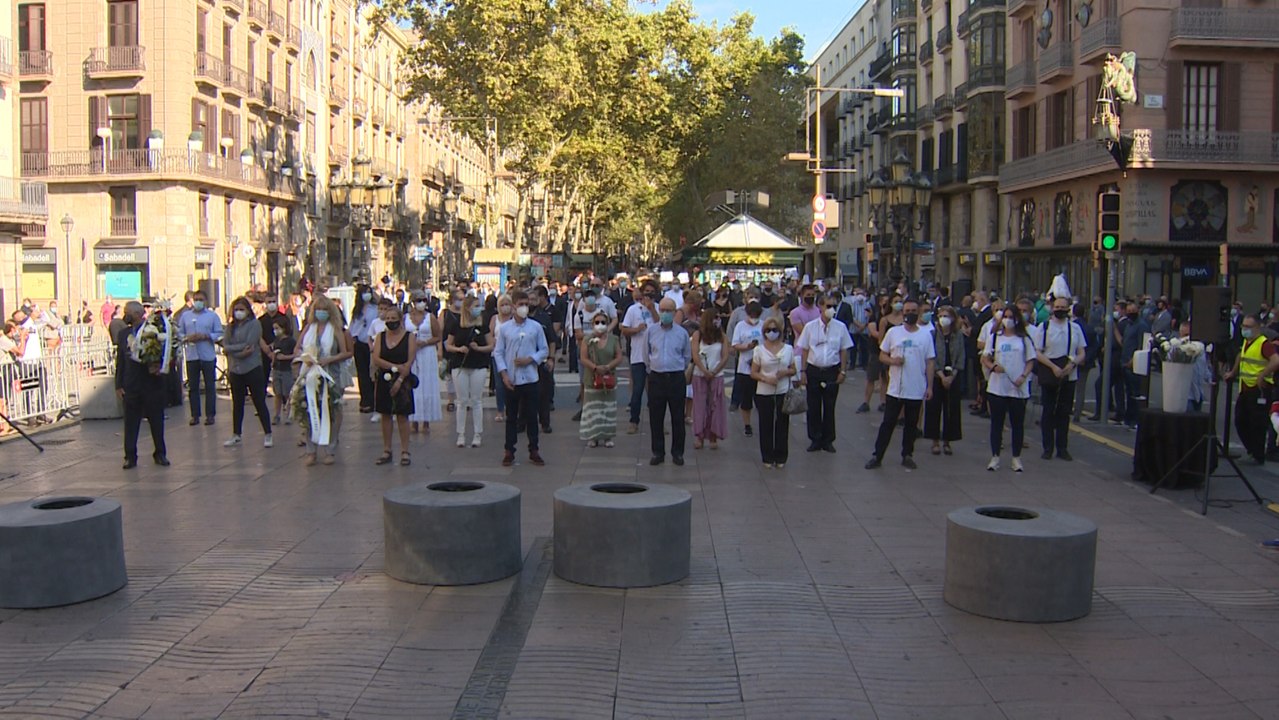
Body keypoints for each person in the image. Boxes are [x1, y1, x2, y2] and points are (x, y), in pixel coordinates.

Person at [865, 299, 935, 470]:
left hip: (916, 387)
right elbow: (882, 355)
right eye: (907, 311)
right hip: (895, 388)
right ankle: (877, 455)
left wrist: (929, 386)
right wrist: (892, 361)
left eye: (913, 311)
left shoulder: (925, 335)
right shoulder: (894, 333)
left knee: (911, 424)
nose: (910, 314)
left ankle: (907, 454)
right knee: (888, 423)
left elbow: (930, 362)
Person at [294, 294, 352, 465]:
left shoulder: (336, 329)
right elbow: (297, 348)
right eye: (318, 309)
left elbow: (346, 352)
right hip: (309, 373)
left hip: (330, 373)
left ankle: (330, 449)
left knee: (331, 411)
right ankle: (311, 450)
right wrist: (304, 356)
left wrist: (330, 359)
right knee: (309, 409)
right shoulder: (308, 328)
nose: (321, 312)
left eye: (324, 309)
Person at [495, 290, 547, 467]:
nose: (524, 308)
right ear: (513, 306)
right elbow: (499, 352)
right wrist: (504, 374)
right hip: (512, 378)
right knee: (511, 416)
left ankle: (534, 449)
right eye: (520, 305)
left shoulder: (535, 327)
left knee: (532, 415)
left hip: (531, 377)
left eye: (526, 304)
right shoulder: (505, 329)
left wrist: (531, 359)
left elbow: (544, 349)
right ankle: (509, 450)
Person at [1032, 295, 1088, 461]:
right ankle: (1047, 447)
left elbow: (1082, 352)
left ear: (1068, 309)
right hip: (1050, 373)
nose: (1060, 310)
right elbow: (1037, 352)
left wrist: (1073, 364)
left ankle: (1062, 448)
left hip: (1069, 374)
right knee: (1048, 410)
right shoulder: (1044, 327)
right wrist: (1053, 367)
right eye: (1057, 307)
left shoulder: (1075, 328)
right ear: (1052, 308)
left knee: (1064, 412)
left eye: (1063, 307)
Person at [114, 302, 169, 469]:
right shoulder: (124, 334)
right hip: (131, 384)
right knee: (131, 423)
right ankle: (130, 456)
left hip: (151, 383)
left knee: (156, 421)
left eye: (128, 312)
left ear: (138, 313)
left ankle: (160, 453)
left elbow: (164, 353)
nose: (125, 316)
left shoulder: (152, 330)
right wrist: (118, 384)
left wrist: (158, 367)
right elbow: (120, 361)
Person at [982, 306, 1036, 472]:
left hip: (1017, 388)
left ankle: (1016, 458)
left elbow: (1030, 361)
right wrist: (993, 366)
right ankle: (995, 457)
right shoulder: (995, 338)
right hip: (997, 387)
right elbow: (985, 357)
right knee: (996, 424)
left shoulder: (1024, 339)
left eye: (1011, 317)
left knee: (1017, 424)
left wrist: (1023, 376)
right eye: (1005, 316)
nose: (1008, 320)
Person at [796, 293, 852, 453]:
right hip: (814, 369)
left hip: (831, 370)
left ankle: (828, 440)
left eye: (833, 306)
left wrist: (843, 371)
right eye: (828, 306)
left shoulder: (840, 327)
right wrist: (803, 371)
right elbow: (805, 349)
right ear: (820, 307)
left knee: (829, 406)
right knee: (813, 406)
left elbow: (843, 350)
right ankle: (815, 438)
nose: (831, 309)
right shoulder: (810, 327)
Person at [1224, 314, 1279, 464]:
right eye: (1243, 326)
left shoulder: (1264, 344)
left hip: (1259, 389)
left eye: (1248, 327)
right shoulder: (1247, 342)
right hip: (1245, 387)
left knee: (1257, 423)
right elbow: (1240, 356)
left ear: (1258, 328)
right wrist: (1233, 372)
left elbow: (1276, 361)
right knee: (1241, 420)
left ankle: (1257, 455)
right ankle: (1251, 450)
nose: (1245, 329)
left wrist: (1263, 375)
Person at [644, 298, 692, 465]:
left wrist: (677, 368)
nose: (665, 314)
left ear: (674, 312)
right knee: (656, 417)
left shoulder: (681, 333)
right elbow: (646, 353)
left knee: (677, 416)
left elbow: (687, 356)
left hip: (675, 378)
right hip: (657, 378)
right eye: (662, 310)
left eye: (668, 311)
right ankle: (658, 452)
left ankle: (677, 453)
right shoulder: (651, 331)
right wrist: (652, 369)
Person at [222, 296, 273, 449]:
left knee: (259, 401)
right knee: (237, 402)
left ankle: (268, 433)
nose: (238, 312)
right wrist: (238, 352)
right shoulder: (230, 327)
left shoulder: (254, 324)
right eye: (236, 310)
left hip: (252, 367)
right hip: (235, 369)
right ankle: (236, 433)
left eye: (241, 309)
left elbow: (250, 345)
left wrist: (232, 351)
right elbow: (226, 345)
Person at [445, 296, 493, 448]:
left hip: (478, 365)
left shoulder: (482, 325)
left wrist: (479, 348)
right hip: (460, 365)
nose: (479, 309)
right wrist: (459, 349)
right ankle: (461, 434)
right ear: (467, 308)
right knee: (462, 401)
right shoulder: (456, 325)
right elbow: (448, 345)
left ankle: (477, 434)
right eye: (475, 306)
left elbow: (491, 345)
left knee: (477, 400)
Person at [751, 316, 799, 469]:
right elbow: (753, 372)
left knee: (782, 424)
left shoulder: (788, 349)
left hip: (783, 390)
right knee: (766, 424)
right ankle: (767, 456)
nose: (771, 333)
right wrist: (765, 379)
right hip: (764, 391)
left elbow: (793, 369)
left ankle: (781, 456)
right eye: (768, 330)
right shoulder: (759, 350)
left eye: (774, 330)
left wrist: (785, 372)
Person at [372, 305, 417, 465]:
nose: (390, 321)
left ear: (400, 319)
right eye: (388, 318)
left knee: (402, 415)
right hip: (384, 378)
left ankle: (405, 451)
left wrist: (399, 379)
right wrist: (395, 367)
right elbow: (376, 358)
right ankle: (387, 449)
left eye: (393, 318)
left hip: (402, 380)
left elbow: (410, 361)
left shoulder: (409, 337)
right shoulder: (380, 337)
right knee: (385, 414)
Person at [925, 304, 965, 456]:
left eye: (946, 316)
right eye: (941, 316)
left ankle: (947, 441)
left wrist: (952, 375)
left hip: (952, 375)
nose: (943, 319)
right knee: (934, 408)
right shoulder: (933, 334)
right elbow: (931, 356)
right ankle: (934, 441)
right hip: (937, 376)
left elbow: (961, 356)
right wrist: (941, 375)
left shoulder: (958, 335)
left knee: (951, 409)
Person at [621, 280, 660, 434]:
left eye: (652, 292)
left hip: (655, 357)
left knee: (655, 392)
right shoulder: (633, 310)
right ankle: (634, 421)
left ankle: (657, 422)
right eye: (646, 292)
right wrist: (636, 330)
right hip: (638, 356)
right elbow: (624, 329)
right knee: (637, 390)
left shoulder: (659, 308)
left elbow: (662, 326)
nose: (649, 295)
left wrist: (652, 309)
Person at [580, 311, 623, 448]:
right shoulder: (587, 340)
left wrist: (608, 366)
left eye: (603, 322)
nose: (600, 325)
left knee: (607, 408)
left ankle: (607, 436)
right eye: (597, 322)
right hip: (592, 378)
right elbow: (583, 358)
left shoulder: (614, 339)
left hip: (609, 378)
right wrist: (595, 367)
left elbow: (619, 356)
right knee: (592, 409)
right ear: (592, 324)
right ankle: (593, 436)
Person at [691, 310, 729, 450]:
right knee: (700, 406)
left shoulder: (722, 336)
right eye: (715, 317)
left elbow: (725, 356)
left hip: (717, 375)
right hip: (700, 374)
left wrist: (714, 371)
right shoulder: (698, 335)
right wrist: (704, 371)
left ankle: (713, 435)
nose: (717, 320)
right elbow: (695, 355)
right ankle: (699, 435)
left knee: (716, 405)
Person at [406, 291, 443, 435]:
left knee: (426, 384)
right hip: (412, 353)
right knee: (413, 385)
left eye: (424, 300)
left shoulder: (430, 317)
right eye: (418, 300)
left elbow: (438, 336)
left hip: (427, 353)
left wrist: (426, 342)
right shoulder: (405, 318)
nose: (421, 303)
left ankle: (426, 420)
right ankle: (413, 420)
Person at [730, 299, 765, 437]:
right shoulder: (740, 326)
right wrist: (747, 346)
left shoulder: (763, 325)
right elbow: (735, 344)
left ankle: (764, 422)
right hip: (745, 366)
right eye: (751, 315)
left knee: (761, 398)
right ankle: (747, 424)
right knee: (746, 399)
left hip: (761, 366)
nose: (753, 318)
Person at [348, 284, 380, 414]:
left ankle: (374, 400)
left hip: (371, 343)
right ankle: (365, 400)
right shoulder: (357, 310)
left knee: (371, 372)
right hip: (359, 343)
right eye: (365, 292)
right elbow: (353, 326)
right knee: (362, 373)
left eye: (369, 292)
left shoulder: (375, 309)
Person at [1120, 301, 1150, 429]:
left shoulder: (1142, 325)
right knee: (1129, 393)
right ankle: (1129, 418)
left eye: (1133, 311)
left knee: (1136, 393)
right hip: (1125, 362)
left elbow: (1142, 344)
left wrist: (1133, 360)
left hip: (1135, 364)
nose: (1130, 313)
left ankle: (1137, 419)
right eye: (1128, 311)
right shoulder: (1128, 325)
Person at [268, 319, 297, 426]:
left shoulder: (291, 341)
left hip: (287, 370)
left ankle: (290, 414)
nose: (275, 331)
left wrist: (285, 357)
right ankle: (277, 415)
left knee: (287, 393)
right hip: (277, 369)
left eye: (277, 328)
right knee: (278, 393)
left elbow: (296, 354)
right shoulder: (276, 341)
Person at [490, 295, 514, 422]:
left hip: (511, 354)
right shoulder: (495, 319)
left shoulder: (514, 318)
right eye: (502, 304)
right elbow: (490, 335)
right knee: (499, 384)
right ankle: (500, 410)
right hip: (497, 355)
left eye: (507, 304)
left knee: (511, 381)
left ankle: (512, 409)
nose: (505, 307)